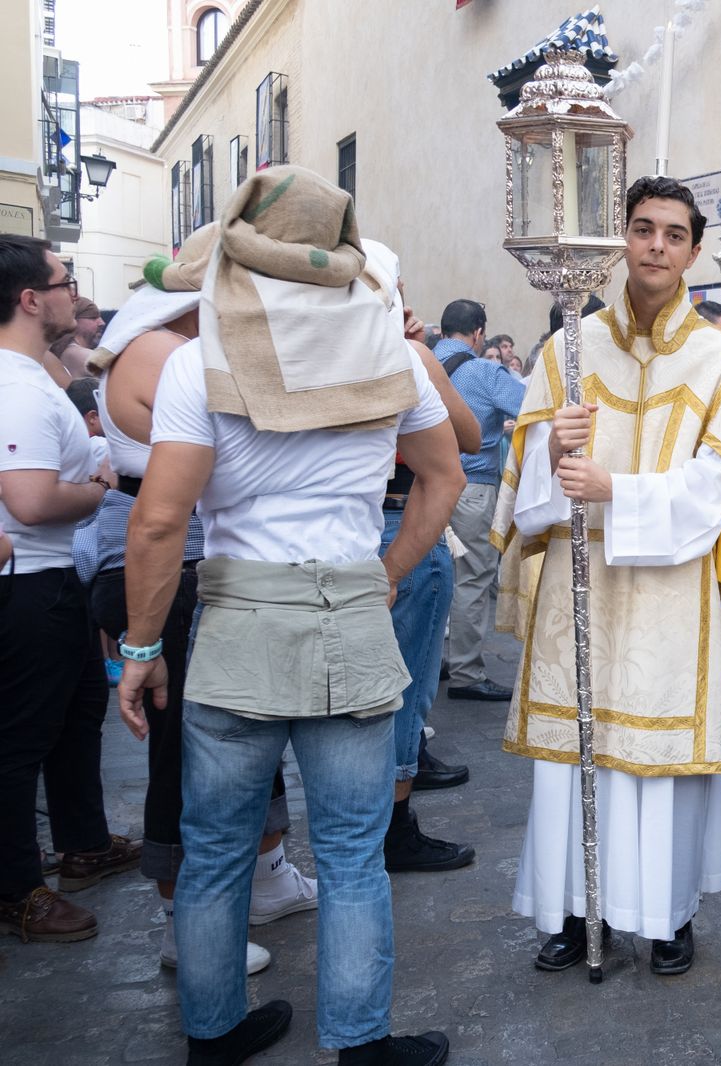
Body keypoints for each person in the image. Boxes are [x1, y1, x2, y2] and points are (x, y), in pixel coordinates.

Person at [118, 165, 460, 1065]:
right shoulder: (392, 351)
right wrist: (386, 573)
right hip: (348, 605)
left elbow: (158, 521)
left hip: (239, 615)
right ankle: (361, 1044)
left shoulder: (198, 360)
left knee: (216, 850)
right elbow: (445, 476)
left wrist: (141, 647)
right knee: (352, 853)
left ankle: (214, 1034)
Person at [492, 175, 721, 977]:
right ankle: (572, 912)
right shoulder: (568, 349)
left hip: (671, 595)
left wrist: (614, 489)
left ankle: (666, 915)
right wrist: (551, 453)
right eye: (644, 228)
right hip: (578, 591)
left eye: (673, 234)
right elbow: (527, 497)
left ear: (693, 250)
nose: (656, 246)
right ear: (622, 237)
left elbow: (720, 488)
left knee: (661, 767)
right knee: (573, 757)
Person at [89, 226, 316, 975]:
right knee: (187, 751)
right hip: (173, 571)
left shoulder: (177, 344)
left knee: (243, 732)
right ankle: (182, 925)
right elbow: (237, 451)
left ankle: (265, 882)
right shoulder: (163, 350)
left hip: (198, 562)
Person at [0, 234, 139, 946]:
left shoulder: (34, 374)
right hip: (29, 584)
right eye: (64, 282)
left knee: (78, 715)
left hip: (50, 582)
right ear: (30, 299)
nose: (74, 294)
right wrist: (97, 488)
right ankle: (17, 890)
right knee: (21, 740)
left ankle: (84, 844)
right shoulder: (18, 389)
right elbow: (29, 502)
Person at [359, 240, 481, 876]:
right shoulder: (408, 355)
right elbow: (470, 437)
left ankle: (361, 822)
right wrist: (422, 355)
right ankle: (394, 828)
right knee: (404, 689)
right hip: (407, 517)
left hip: (349, 527)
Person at [436, 298, 525, 703]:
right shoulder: (483, 371)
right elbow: (530, 407)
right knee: (472, 579)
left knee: (436, 576)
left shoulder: (421, 361)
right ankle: (467, 672)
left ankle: (434, 660)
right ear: (478, 333)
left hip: (423, 487)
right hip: (472, 486)